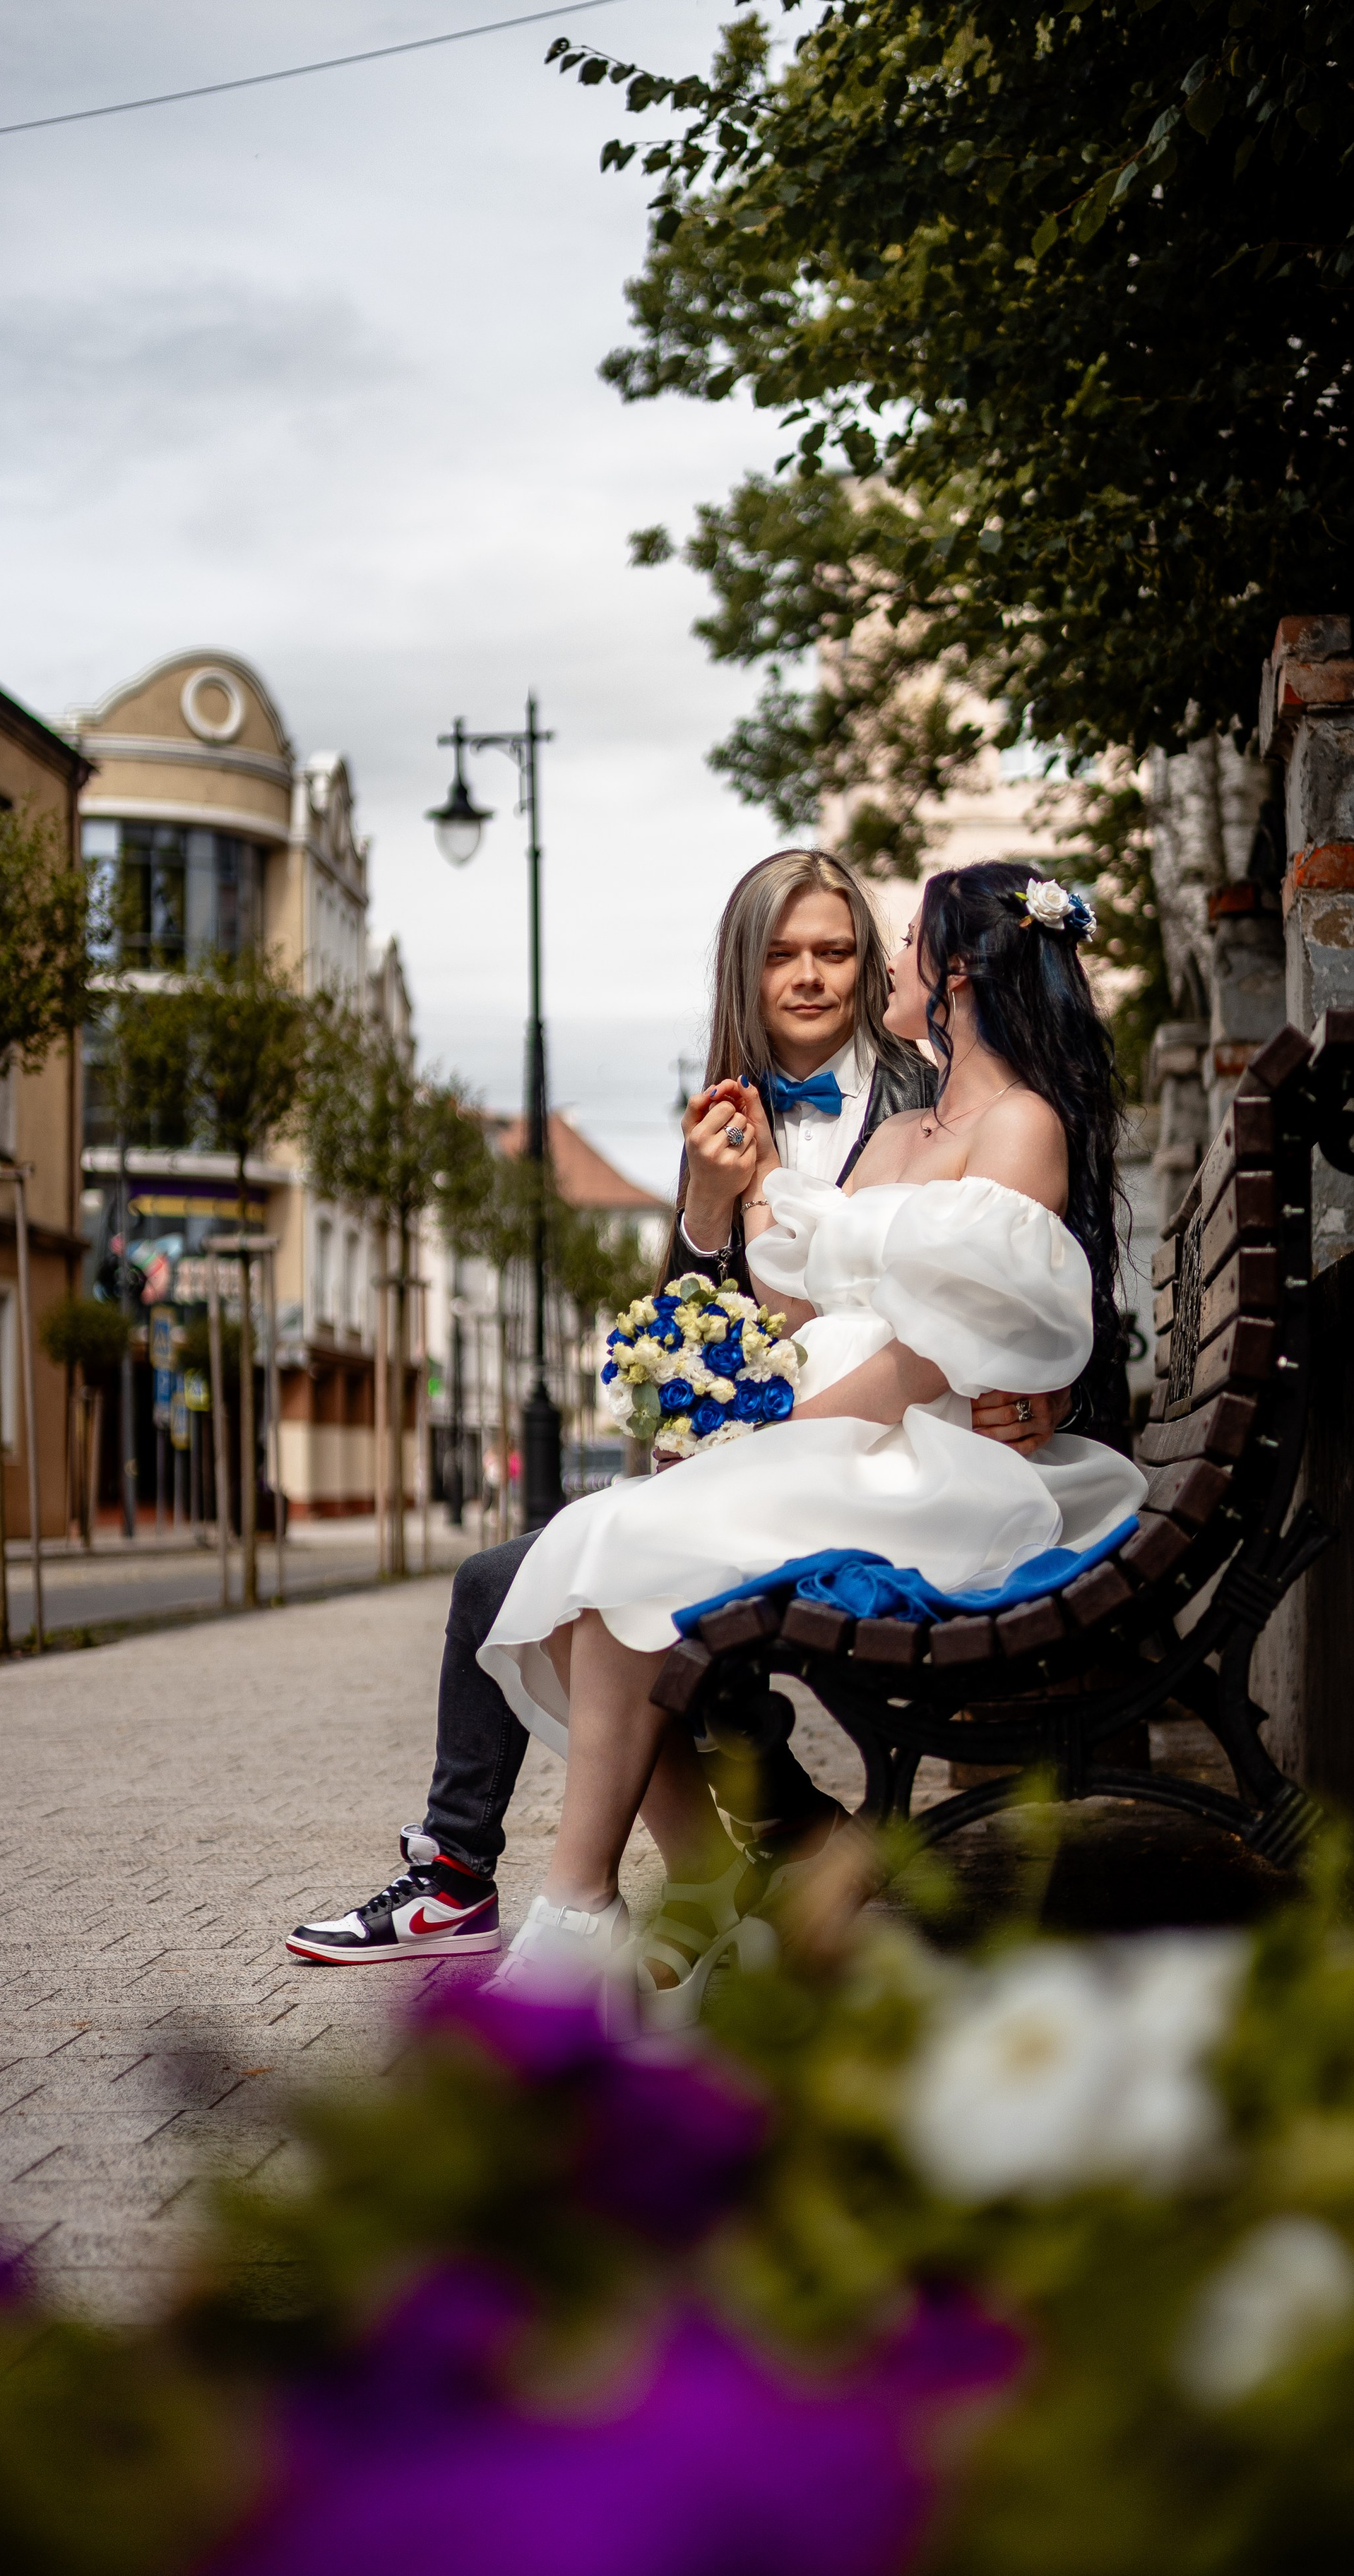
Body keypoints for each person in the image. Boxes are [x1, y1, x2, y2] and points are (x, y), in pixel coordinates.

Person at [287, 847, 1067, 1967]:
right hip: (772, 1444)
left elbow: (1026, 1265)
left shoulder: (929, 1096)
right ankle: (637, 1861)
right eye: (783, 955)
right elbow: (688, 1330)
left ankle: (659, 1866)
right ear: (742, 974)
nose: (811, 977)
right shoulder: (726, 1111)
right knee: (529, 1576)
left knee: (581, 1578)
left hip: (875, 1445)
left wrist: (1042, 1389)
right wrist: (709, 1201)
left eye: (839, 952)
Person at [477, 858, 1147, 2020]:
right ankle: (626, 1895)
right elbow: (799, 1315)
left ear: (957, 976)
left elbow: (940, 1353)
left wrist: (775, 1436)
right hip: (843, 1441)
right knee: (595, 1564)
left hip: (929, 1463)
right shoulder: (901, 1137)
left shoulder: (1022, 1127)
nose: (881, 964)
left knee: (614, 1545)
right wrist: (728, 1198)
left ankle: (594, 1909)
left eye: (897, 947)